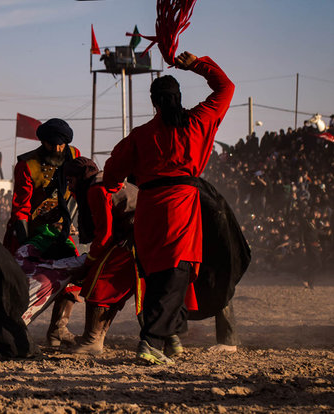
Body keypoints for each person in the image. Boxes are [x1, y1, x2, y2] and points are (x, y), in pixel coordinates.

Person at [103, 51, 235, 365]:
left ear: (154, 103)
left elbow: (110, 174)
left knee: (159, 275)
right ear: (178, 97)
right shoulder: (199, 121)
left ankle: (171, 336)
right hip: (182, 207)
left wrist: (113, 188)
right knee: (176, 274)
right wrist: (196, 65)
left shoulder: (140, 135)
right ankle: (150, 343)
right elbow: (226, 88)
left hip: (149, 209)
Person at [3, 118, 81, 347]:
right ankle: (13, 326)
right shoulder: (27, 165)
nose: (58, 149)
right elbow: (21, 208)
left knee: (74, 273)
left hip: (60, 231)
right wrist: (25, 243)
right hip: (29, 232)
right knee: (20, 280)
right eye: (53, 144)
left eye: (62, 144)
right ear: (43, 142)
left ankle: (58, 329)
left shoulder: (74, 155)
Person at [63, 157, 139, 355]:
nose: (70, 188)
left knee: (99, 283)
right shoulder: (99, 182)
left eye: (70, 181)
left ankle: (91, 340)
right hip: (135, 234)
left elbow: (104, 235)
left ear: (80, 178)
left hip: (136, 234)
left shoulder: (96, 190)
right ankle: (96, 337)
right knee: (102, 279)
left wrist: (89, 262)